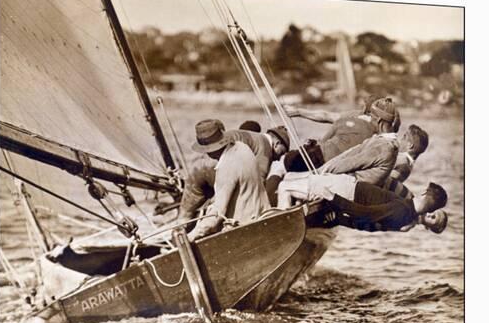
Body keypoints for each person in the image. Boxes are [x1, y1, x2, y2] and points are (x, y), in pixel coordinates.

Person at [178, 122, 289, 221]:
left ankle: (179, 231)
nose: (279, 158)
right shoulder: (265, 148)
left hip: (197, 166)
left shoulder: (249, 135)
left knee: (186, 212)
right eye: (282, 153)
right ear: (277, 143)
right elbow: (258, 183)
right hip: (218, 166)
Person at [186, 119, 270, 241]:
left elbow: (217, 215)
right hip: (262, 216)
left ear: (209, 150)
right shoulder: (243, 147)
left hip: (245, 228)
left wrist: (190, 236)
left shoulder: (226, 167)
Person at [282, 96, 401, 172]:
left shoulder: (354, 117)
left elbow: (325, 116)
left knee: (283, 163)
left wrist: (297, 112)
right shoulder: (381, 134)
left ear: (365, 109)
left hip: (322, 160)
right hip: (333, 164)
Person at [317, 181, 448, 232]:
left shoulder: (406, 224)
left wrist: (340, 220)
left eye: (433, 218)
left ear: (428, 227)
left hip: (353, 209)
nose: (430, 214)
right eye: (434, 213)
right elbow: (388, 181)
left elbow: (373, 225)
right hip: (356, 194)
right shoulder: (408, 198)